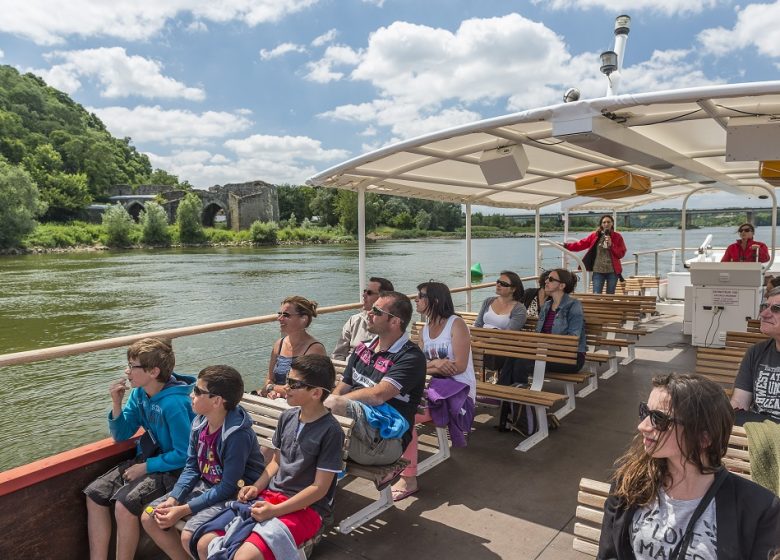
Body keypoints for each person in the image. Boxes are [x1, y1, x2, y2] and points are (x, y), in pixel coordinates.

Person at [598, 373, 780, 559]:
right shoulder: (629, 482)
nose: (642, 426)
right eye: (645, 412)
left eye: (659, 419)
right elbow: (609, 555)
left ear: (704, 438)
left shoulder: (759, 510)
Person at [191, 355, 344, 560]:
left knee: (244, 557)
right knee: (204, 543)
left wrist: (275, 511)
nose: (285, 387)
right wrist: (257, 486)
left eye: (293, 383)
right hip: (271, 497)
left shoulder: (331, 431)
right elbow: (276, 462)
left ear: (316, 393)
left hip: (307, 508)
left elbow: (319, 489)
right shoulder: (288, 417)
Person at [84, 337, 195, 560]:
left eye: (132, 366)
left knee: (124, 506)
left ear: (153, 372)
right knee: (95, 494)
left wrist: (146, 467)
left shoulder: (174, 404)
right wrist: (116, 404)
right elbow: (121, 433)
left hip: (174, 470)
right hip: (149, 460)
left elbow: (184, 455)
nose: (127, 371)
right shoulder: (139, 394)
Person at [141, 365, 266, 560]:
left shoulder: (237, 436)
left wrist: (182, 510)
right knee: (149, 516)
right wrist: (174, 498)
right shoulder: (199, 422)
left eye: (198, 391)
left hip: (236, 492)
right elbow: (191, 467)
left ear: (217, 401)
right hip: (206, 485)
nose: (191, 394)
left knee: (189, 536)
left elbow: (227, 487)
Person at [391, 281, 476, 501]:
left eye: (421, 295)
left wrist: (433, 366)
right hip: (433, 390)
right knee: (390, 407)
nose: (416, 299)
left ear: (436, 300)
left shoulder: (456, 325)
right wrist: (437, 364)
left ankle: (409, 478)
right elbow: (415, 366)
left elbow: (459, 366)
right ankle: (392, 460)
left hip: (457, 393)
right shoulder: (425, 329)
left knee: (404, 416)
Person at [324, 290, 427, 467]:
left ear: (395, 321)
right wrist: (332, 402)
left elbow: (378, 395)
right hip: (354, 428)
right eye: (371, 309)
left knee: (313, 430)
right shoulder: (363, 348)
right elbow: (344, 385)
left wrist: (333, 404)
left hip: (385, 442)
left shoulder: (410, 357)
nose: (369, 313)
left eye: (377, 311)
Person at [496, 269, 587, 431]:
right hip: (545, 354)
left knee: (521, 362)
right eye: (547, 278)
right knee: (513, 357)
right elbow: (539, 334)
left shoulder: (574, 306)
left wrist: (543, 345)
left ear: (562, 285)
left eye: (551, 279)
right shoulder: (546, 306)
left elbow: (573, 339)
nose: (546, 281)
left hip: (569, 358)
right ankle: (513, 406)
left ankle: (515, 408)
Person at [258, 296, 326, 398]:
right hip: (276, 399)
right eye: (279, 314)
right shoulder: (279, 344)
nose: (279, 318)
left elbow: (308, 390)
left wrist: (271, 388)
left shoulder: (315, 350)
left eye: (286, 315)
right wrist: (271, 391)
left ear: (303, 319)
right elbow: (269, 379)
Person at [731, 286, 780, 426]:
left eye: (776, 309)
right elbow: (739, 402)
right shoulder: (756, 352)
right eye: (764, 306)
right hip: (756, 430)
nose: (764, 314)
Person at [331, 276, 394, 361]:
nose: (363, 295)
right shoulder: (354, 320)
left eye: (369, 293)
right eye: (364, 291)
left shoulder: (392, 324)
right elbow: (338, 355)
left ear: (383, 298)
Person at [564, 214, 627, 294]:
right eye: (604, 222)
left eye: (608, 222)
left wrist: (612, 245)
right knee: (596, 295)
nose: (606, 224)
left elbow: (621, 254)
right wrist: (566, 246)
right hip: (598, 271)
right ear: (601, 224)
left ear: (612, 224)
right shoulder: (595, 235)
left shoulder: (617, 237)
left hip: (612, 272)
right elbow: (581, 244)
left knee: (610, 296)